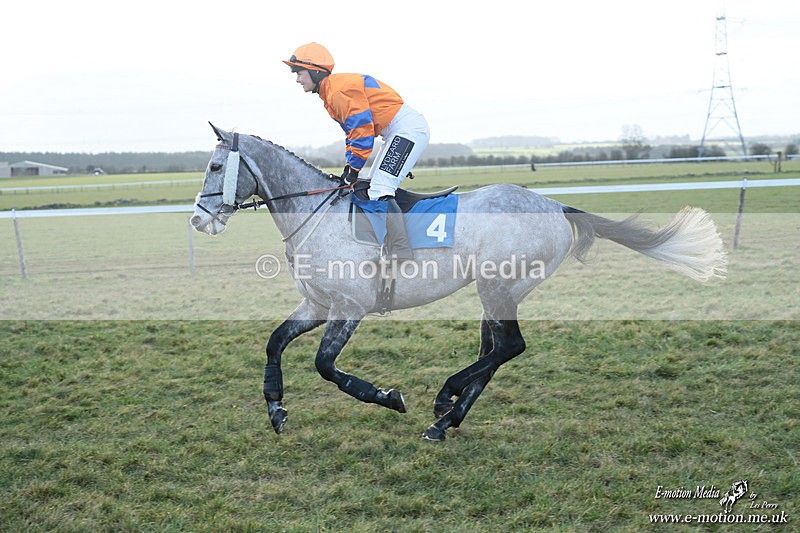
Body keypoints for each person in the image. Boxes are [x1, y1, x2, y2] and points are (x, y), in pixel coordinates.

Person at [283, 42, 429, 264]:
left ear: (314, 70)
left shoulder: (338, 90)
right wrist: (349, 168)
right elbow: (352, 134)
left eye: (299, 73)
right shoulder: (330, 92)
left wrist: (353, 169)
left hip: (406, 129)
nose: (297, 79)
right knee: (371, 185)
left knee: (381, 187)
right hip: (396, 131)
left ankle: (400, 250)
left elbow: (362, 132)